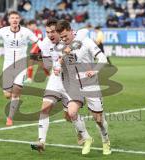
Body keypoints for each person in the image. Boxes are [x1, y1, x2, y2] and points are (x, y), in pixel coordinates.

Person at [30, 18, 91, 152]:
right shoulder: (45, 43)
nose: (50, 35)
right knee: (45, 108)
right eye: (47, 32)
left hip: (71, 80)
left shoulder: (68, 38)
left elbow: (85, 31)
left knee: (69, 115)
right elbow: (47, 64)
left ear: (59, 31)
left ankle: (81, 132)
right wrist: (54, 65)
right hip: (56, 79)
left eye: (53, 32)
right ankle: (41, 141)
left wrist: (69, 49)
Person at [55, 20, 111, 155]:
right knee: (71, 112)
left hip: (90, 83)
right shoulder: (62, 46)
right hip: (73, 85)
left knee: (98, 119)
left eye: (65, 36)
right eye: (61, 37)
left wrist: (95, 71)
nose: (63, 39)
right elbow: (60, 62)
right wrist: (57, 67)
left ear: (70, 30)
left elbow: (103, 58)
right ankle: (87, 138)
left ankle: (105, 140)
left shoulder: (86, 42)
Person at [24, 20, 50, 84]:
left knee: (42, 66)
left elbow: (39, 41)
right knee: (31, 64)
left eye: (29, 26)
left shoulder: (38, 31)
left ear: (33, 25)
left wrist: (33, 49)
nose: (29, 28)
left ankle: (49, 76)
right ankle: (29, 78)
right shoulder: (34, 32)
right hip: (35, 51)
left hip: (38, 51)